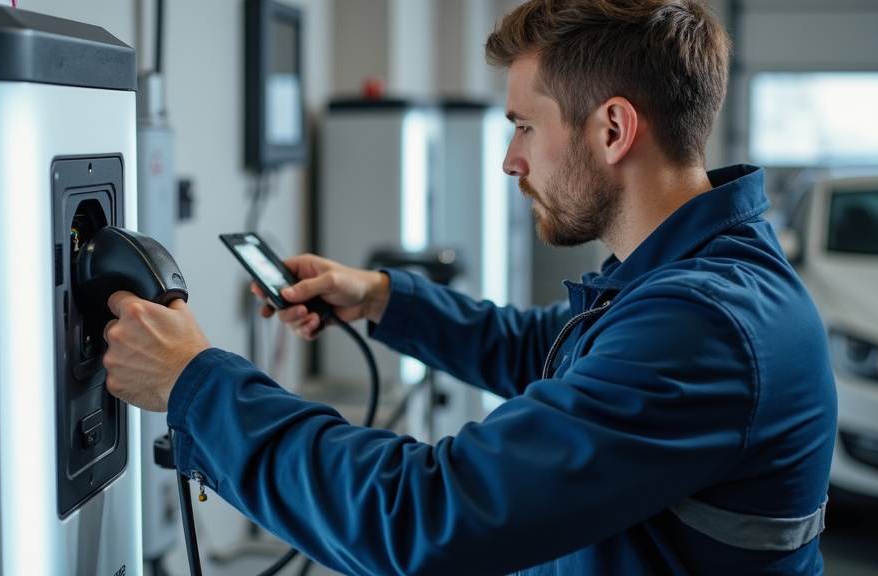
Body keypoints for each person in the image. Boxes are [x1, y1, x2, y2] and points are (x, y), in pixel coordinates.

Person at [103, 0, 837, 574]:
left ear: (613, 130)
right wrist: (386, 297)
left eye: (523, 125)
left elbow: (423, 518)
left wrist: (194, 384)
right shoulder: (699, 276)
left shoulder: (704, 327)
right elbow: (548, 349)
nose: (510, 161)